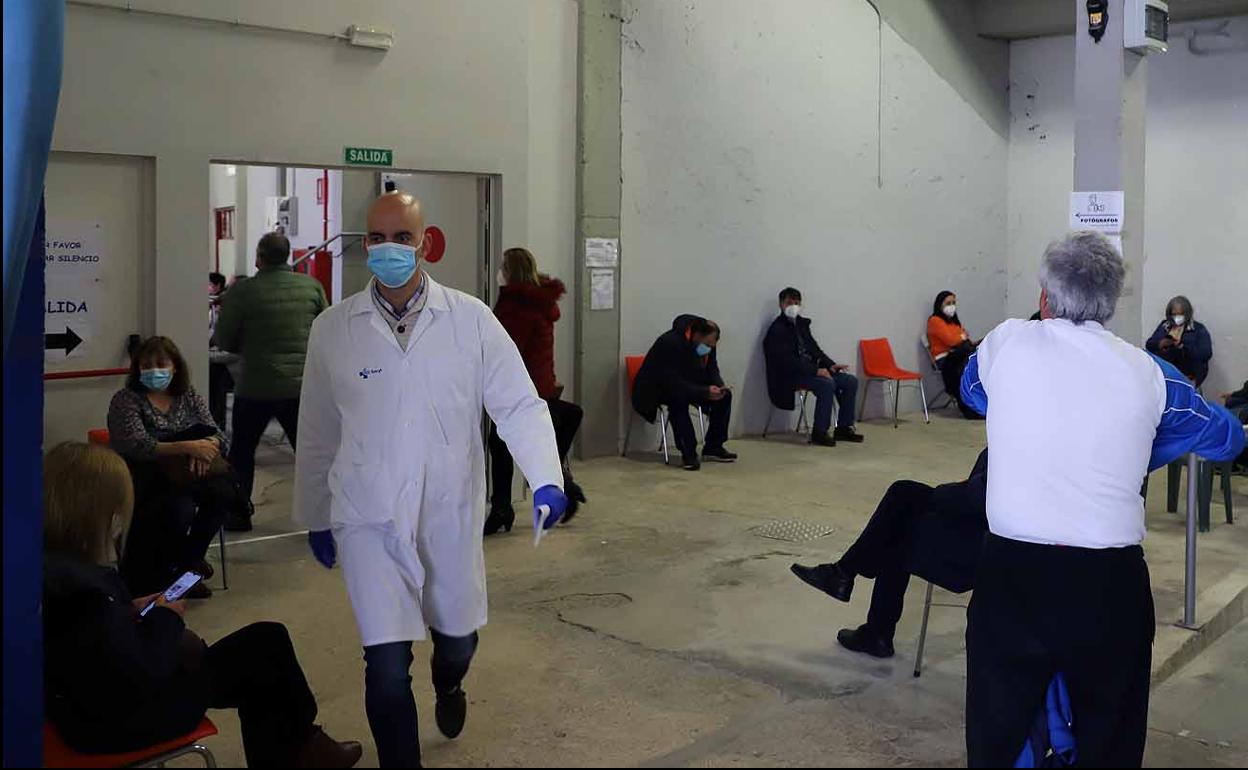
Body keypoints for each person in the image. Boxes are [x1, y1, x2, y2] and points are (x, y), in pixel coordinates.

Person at [294, 192, 569, 769]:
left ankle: (450, 681)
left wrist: (545, 477)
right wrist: (315, 511)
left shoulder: (470, 320)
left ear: (426, 244)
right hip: (368, 514)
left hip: (448, 509)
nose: (388, 249)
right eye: (376, 238)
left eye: (401, 238)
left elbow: (517, 404)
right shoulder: (333, 330)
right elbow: (317, 429)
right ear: (363, 244)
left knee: (456, 640)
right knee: (386, 664)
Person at [958, 232, 1244, 767]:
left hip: (1011, 575)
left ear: (1044, 297)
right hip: (1107, 583)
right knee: (1109, 729)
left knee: (997, 725)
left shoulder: (1004, 343)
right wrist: (1143, 446)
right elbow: (1227, 437)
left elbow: (974, 393)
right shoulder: (1152, 372)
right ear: (1111, 306)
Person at [42, 442, 362, 767]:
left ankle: (304, 745)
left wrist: (129, 611)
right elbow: (146, 670)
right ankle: (304, 746)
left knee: (266, 644)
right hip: (123, 720)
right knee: (265, 657)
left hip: (91, 707)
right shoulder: (86, 592)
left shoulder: (58, 571)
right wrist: (165, 617)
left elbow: (104, 643)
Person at [791, 449, 987, 659]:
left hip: (984, 552)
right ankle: (848, 583)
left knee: (899, 514)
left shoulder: (1017, 446)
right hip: (990, 541)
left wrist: (948, 490)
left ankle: (846, 579)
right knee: (899, 512)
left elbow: (978, 496)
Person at [107, 336, 243, 599]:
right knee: (178, 510)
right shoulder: (126, 400)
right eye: (146, 365)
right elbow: (136, 444)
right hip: (144, 474)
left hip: (191, 472)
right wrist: (188, 448)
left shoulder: (188, 395)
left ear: (175, 367)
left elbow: (217, 434)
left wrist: (205, 447)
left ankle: (186, 566)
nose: (154, 370)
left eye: (161, 364)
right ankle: (169, 572)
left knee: (224, 495)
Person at [215, 232, 328, 531]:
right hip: (301, 387)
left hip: (255, 386)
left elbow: (224, 339)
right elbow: (325, 330)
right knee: (309, 455)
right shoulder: (311, 286)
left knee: (242, 452)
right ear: (288, 255)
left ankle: (239, 514)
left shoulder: (243, 291)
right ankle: (321, 517)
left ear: (258, 257)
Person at [486, 247, 586, 535]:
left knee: (501, 445)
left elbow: (506, 349)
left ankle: (506, 506)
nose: (499, 272)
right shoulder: (538, 302)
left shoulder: (517, 306)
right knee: (504, 445)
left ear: (510, 271)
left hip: (519, 386)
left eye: (503, 266)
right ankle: (558, 483)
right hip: (540, 382)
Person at [631, 314, 737, 471]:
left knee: (724, 397)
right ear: (697, 335)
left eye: (711, 346)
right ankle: (688, 453)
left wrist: (719, 386)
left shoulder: (706, 344)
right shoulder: (670, 342)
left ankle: (714, 446)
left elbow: (712, 368)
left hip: (687, 384)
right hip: (658, 388)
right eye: (707, 344)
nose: (708, 348)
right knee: (678, 401)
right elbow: (672, 381)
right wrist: (703, 391)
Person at [764, 288, 864, 447]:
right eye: (789, 302)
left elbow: (815, 350)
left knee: (850, 381)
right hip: (790, 375)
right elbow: (786, 361)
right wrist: (816, 371)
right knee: (826, 384)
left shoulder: (802, 325)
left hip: (811, 370)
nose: (793, 306)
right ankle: (820, 432)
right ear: (781, 304)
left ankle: (844, 427)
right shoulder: (777, 329)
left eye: (797, 303)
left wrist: (830, 365)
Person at [927, 290, 981, 419]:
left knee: (974, 352)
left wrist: (961, 338)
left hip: (958, 355)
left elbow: (962, 338)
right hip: (944, 359)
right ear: (940, 305)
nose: (952, 306)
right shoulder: (935, 321)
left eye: (953, 303)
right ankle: (969, 407)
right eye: (948, 303)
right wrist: (961, 337)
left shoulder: (954, 322)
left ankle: (977, 402)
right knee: (967, 357)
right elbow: (952, 340)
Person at [1145, 295, 1213, 387]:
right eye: (1174, 314)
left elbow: (1206, 353)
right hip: (1166, 375)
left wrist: (1183, 346)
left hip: (1189, 376)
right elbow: (1149, 344)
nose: (1177, 317)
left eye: (1180, 314)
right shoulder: (1165, 326)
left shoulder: (1198, 329)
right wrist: (1161, 343)